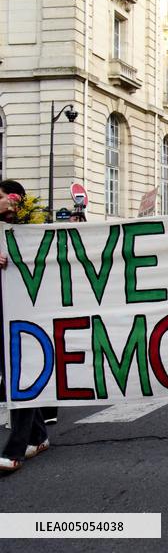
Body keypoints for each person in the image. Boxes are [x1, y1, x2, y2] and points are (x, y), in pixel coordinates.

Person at [0, 180, 51, 472]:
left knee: (19, 375)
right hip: (3, 311)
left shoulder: (30, 230)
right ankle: (39, 436)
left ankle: (15, 449)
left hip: (24, 313)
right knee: (12, 376)